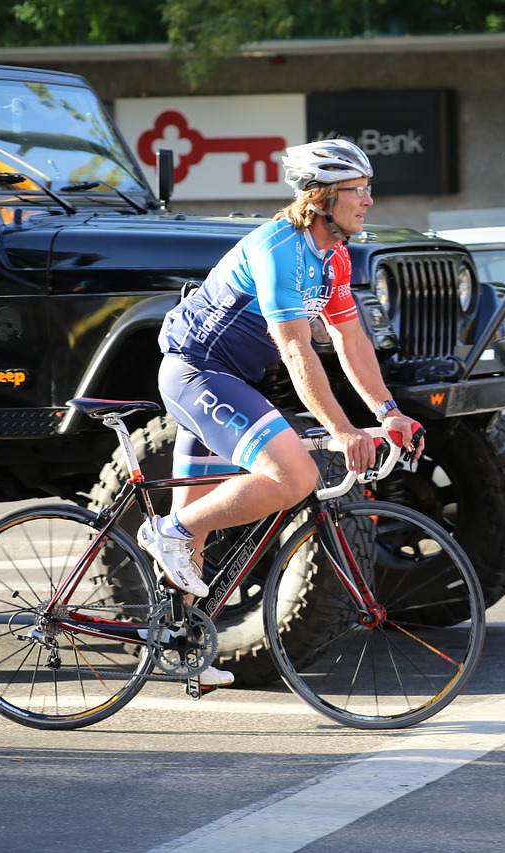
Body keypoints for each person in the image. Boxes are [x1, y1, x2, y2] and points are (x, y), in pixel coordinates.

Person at [140, 139, 424, 687]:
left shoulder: (333, 256)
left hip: (229, 379)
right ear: (320, 197)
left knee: (195, 543)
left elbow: (350, 341)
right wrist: (342, 430)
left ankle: (172, 650)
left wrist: (387, 412)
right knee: (293, 475)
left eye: (369, 189)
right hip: (197, 373)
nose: (368, 201)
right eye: (357, 191)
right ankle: (168, 529)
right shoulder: (281, 249)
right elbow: (296, 350)